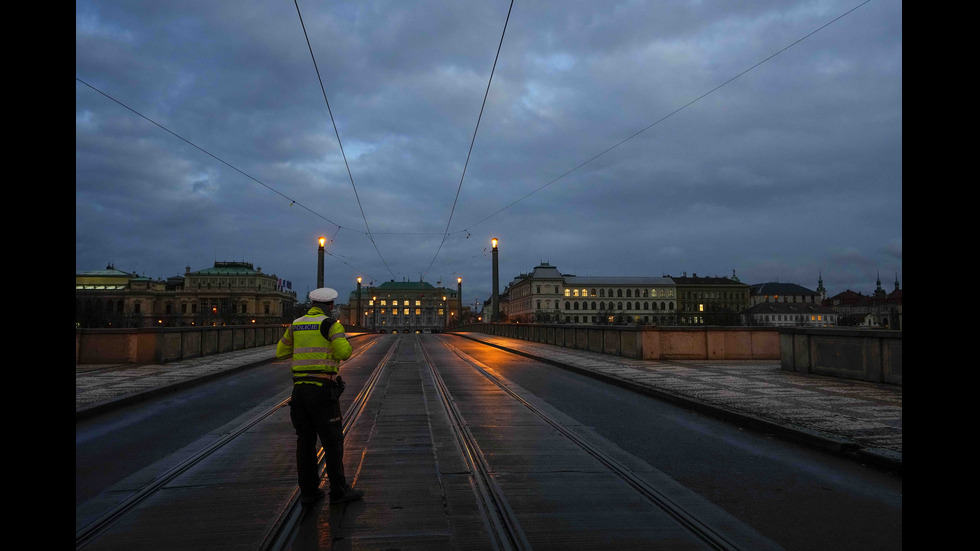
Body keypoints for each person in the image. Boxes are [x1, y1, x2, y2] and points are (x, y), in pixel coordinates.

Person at [277, 287, 364, 506]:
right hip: (322, 389)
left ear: (311, 303)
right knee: (332, 441)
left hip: (299, 390)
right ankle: (338, 491)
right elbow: (344, 353)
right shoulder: (331, 325)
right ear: (331, 306)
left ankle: (309, 492)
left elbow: (281, 352)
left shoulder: (296, 325)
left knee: (304, 441)